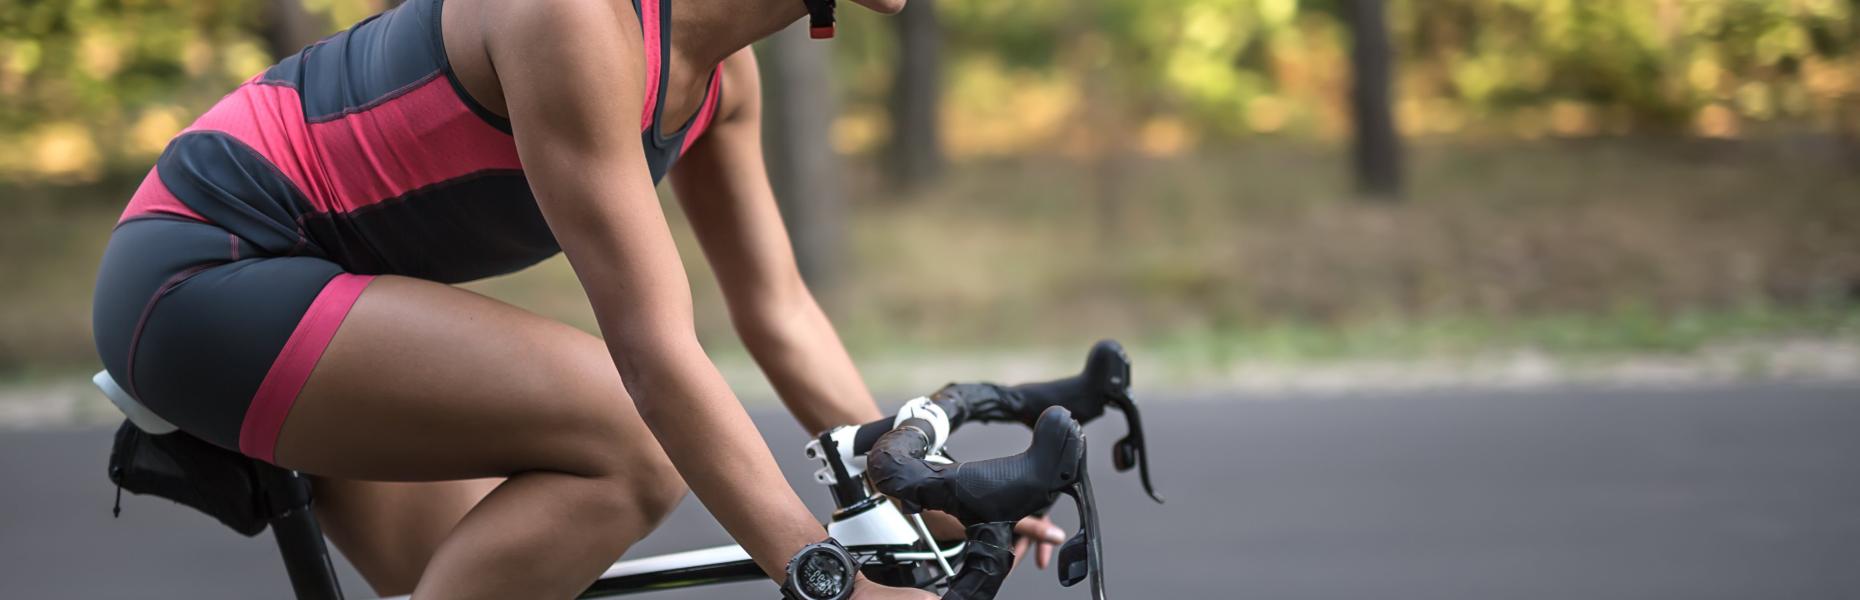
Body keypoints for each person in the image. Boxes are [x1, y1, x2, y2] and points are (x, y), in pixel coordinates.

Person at [90, 0, 1065, 597]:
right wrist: (824, 581)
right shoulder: (575, 16)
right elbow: (651, 353)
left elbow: (778, 313)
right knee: (628, 451)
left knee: (487, 577)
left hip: (328, 291)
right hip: (205, 271)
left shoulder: (723, 81)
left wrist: (933, 504)